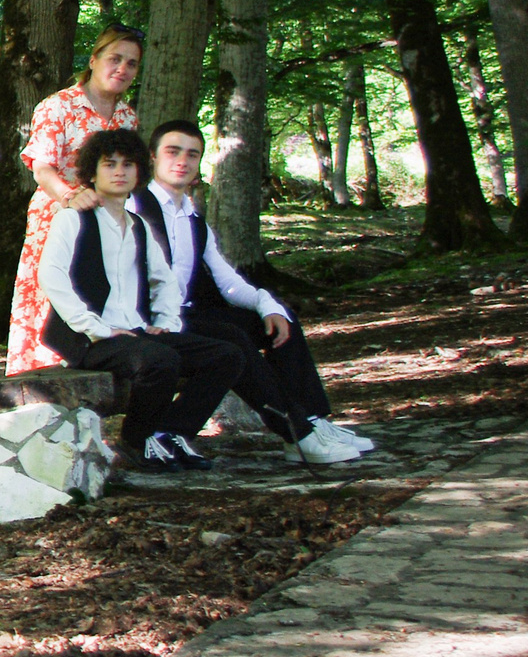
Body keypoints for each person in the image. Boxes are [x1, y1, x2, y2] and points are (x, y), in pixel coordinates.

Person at [137, 120, 374, 465]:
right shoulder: (133, 208)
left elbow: (226, 280)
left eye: (192, 154)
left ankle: (312, 421)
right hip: (152, 320)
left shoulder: (193, 218)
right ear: (153, 157)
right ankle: (295, 431)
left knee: (278, 317)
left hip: (189, 313)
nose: (182, 161)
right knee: (230, 337)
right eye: (172, 152)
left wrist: (267, 304)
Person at [37, 128, 246, 472]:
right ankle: (135, 443)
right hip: (89, 338)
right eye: (110, 164)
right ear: (93, 172)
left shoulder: (138, 224)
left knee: (226, 355)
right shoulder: (72, 219)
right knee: (159, 361)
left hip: (136, 332)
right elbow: (52, 278)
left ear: (139, 173)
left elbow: (164, 280)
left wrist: (165, 323)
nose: (119, 171)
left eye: (128, 164)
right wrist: (96, 328)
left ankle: (169, 435)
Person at [8, 27, 144, 374]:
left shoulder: (127, 117)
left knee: (98, 291)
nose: (123, 69)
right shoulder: (59, 106)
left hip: (106, 221)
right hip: (60, 215)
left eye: (132, 63)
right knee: (55, 295)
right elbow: (42, 168)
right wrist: (72, 196)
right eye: (115, 59)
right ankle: (39, 381)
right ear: (94, 60)